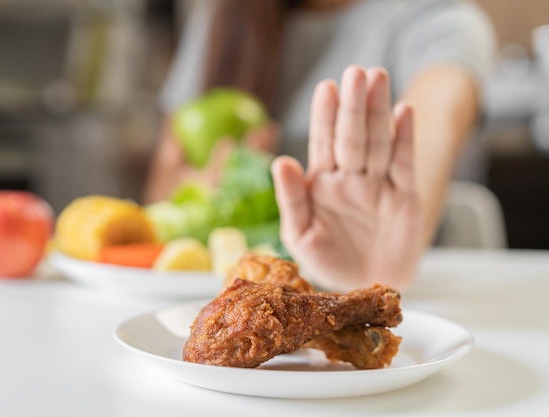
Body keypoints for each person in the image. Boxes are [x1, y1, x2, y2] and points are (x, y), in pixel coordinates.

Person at [143, 0, 497, 291]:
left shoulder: (441, 22)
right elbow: (158, 197)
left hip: (388, 298)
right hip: (205, 297)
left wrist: (368, 271)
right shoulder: (221, 17)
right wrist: (207, 195)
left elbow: (430, 137)